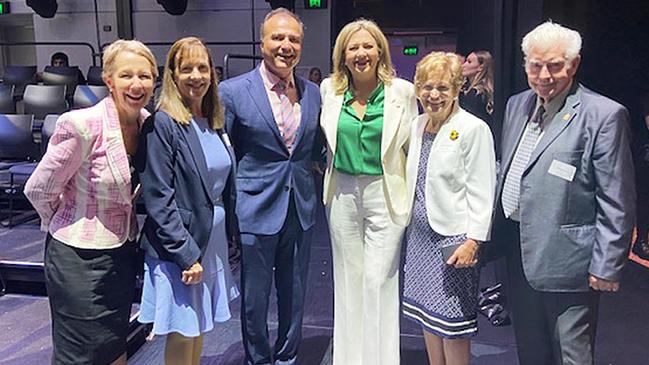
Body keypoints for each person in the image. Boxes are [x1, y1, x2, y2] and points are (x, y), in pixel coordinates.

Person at [490, 21, 635, 365]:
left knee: (571, 357)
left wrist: (606, 265)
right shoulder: (516, 105)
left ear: (573, 64)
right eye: (535, 65)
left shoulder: (603, 115)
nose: (544, 75)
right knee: (532, 353)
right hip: (519, 252)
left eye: (554, 65)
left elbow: (617, 198)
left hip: (568, 263)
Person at [24, 40, 157, 365]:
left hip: (121, 255)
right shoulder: (80, 125)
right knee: (79, 355)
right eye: (127, 75)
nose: (137, 84)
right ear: (109, 80)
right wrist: (67, 222)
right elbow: (38, 189)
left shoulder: (147, 123)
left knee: (114, 348)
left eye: (145, 75)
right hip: (76, 261)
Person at [218, 8, 323, 365]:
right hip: (254, 209)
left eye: (293, 39)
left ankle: (287, 357)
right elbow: (224, 157)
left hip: (301, 208)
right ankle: (259, 360)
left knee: (295, 292)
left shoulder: (313, 94)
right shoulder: (232, 92)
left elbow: (315, 149)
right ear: (262, 42)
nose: (286, 45)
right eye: (278, 37)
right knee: (254, 297)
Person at [320, 19, 418, 365]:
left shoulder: (403, 92)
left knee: (379, 281)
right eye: (353, 47)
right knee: (347, 281)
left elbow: (413, 149)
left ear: (380, 51)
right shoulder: (329, 90)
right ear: (342, 55)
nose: (361, 53)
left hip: (384, 191)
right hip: (342, 192)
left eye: (367, 46)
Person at [135, 37, 239, 365]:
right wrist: (185, 255)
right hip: (182, 249)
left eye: (203, 68)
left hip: (211, 243)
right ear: (173, 75)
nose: (196, 76)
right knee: (183, 333)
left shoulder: (213, 121)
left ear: (213, 74)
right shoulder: (162, 123)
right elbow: (157, 197)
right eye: (187, 69)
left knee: (197, 330)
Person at [402, 51, 496, 365]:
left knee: (453, 327)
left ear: (456, 89)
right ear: (417, 89)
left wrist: (474, 241)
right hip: (419, 239)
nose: (433, 94)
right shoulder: (417, 125)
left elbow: (483, 190)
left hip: (453, 242)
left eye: (443, 87)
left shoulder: (473, 128)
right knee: (429, 319)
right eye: (427, 87)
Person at [460, 50, 494, 133]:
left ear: (480, 67)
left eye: (469, 62)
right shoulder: (467, 89)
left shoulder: (477, 94)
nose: (463, 66)